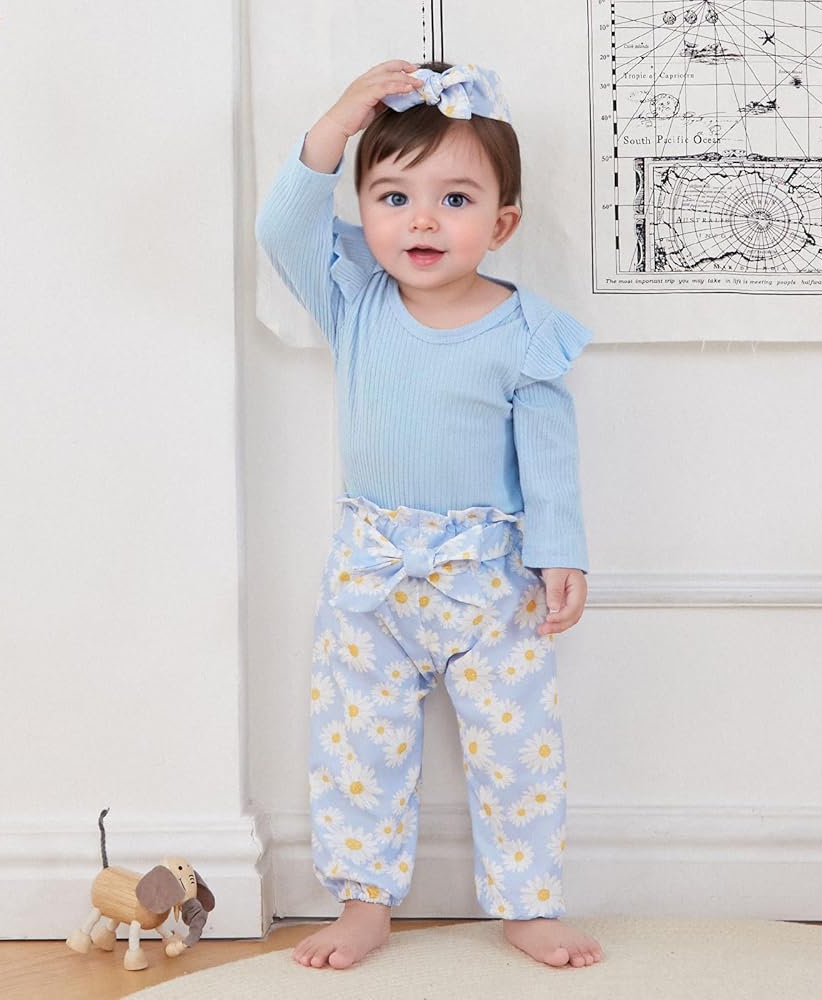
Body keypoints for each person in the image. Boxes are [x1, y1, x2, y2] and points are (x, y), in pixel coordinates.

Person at [256, 59, 602, 972]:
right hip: (372, 573)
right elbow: (282, 223)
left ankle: (527, 904)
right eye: (394, 197)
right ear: (363, 210)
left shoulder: (525, 331)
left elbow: (550, 455)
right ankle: (363, 902)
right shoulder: (354, 301)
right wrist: (341, 118)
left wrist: (561, 551)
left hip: (492, 577)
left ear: (502, 223)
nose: (421, 220)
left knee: (518, 751)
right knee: (357, 749)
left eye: (454, 199)